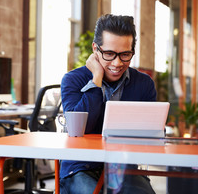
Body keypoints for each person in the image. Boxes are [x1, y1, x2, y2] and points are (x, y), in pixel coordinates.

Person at [59, 14, 157, 194]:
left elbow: (152, 137)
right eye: (109, 54)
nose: (117, 63)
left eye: (125, 54)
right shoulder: (72, 80)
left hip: (125, 165)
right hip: (80, 166)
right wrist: (96, 78)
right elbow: (79, 130)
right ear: (95, 49)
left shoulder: (144, 84)